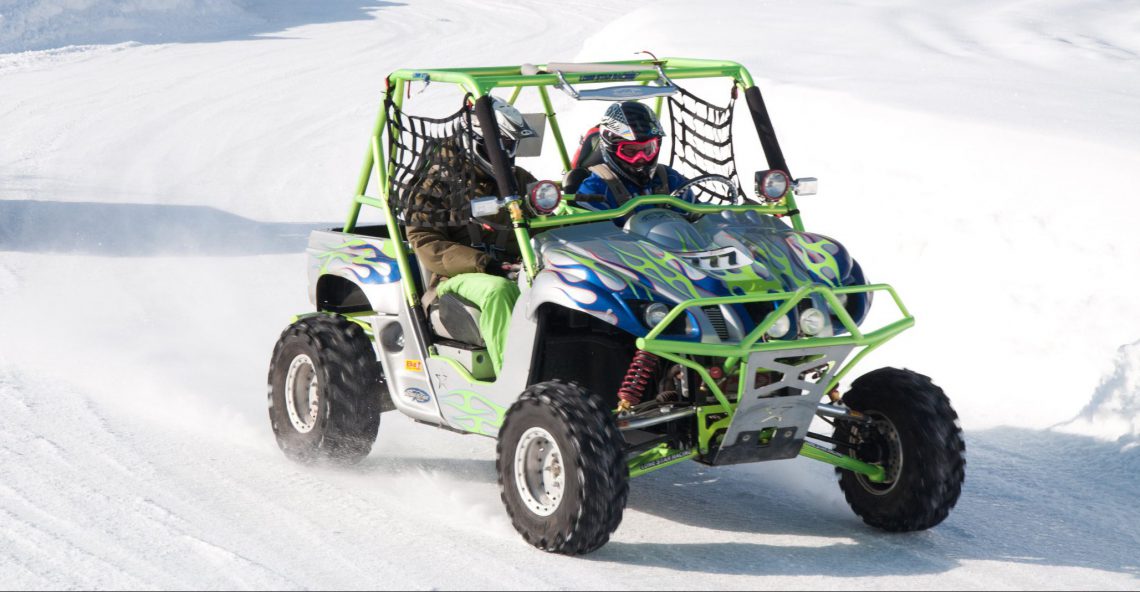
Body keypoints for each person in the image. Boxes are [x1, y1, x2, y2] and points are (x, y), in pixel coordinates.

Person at [405, 96, 537, 376]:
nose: (506, 154)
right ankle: (512, 384)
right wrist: (483, 263)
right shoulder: (436, 182)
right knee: (499, 292)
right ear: (476, 141)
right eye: (499, 145)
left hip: (516, 268)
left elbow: (546, 221)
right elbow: (426, 242)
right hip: (453, 280)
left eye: (510, 146)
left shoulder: (520, 179)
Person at [574, 101, 690, 215]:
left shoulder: (668, 178)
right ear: (611, 148)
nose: (641, 158)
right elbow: (590, 231)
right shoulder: (595, 188)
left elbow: (700, 216)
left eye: (648, 149)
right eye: (631, 151)